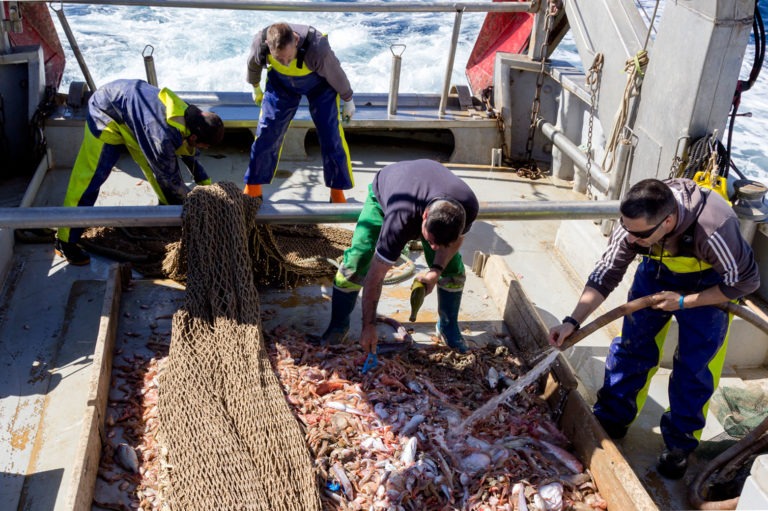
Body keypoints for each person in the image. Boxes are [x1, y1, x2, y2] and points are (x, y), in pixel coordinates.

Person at [548, 178, 759, 480]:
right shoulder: (635, 224)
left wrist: (686, 302)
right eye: (627, 230)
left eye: (639, 235)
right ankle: (613, 417)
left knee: (695, 366)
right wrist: (572, 321)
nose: (630, 239)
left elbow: (746, 282)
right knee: (632, 347)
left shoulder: (715, 228)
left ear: (669, 221)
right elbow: (606, 274)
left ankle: (680, 445)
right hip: (657, 271)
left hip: (710, 285)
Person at [315, 159, 479, 355]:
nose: (434, 247)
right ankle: (338, 326)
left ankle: (448, 327)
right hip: (390, 186)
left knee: (452, 270)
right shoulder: (400, 218)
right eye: (431, 241)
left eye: (440, 244)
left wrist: (436, 270)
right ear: (425, 216)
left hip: (428, 185)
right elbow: (375, 276)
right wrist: (369, 326)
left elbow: (456, 241)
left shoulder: (467, 206)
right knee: (357, 261)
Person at [55, 79, 224, 266]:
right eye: (203, 144)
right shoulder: (162, 138)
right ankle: (65, 240)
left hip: (135, 120)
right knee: (89, 179)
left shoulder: (190, 116)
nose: (203, 148)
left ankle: (168, 215)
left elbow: (188, 152)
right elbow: (171, 180)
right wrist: (196, 208)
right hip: (106, 113)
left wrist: (206, 184)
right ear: (193, 136)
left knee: (158, 175)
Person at [243, 22, 355, 203]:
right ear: (268, 46)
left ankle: (337, 192)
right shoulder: (260, 43)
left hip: (320, 86)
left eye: (289, 57)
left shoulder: (317, 47)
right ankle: (253, 187)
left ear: (296, 40)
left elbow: (336, 74)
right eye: (279, 59)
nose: (286, 63)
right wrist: (255, 87)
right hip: (281, 85)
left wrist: (348, 99)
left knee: (330, 134)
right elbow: (253, 65)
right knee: (267, 130)